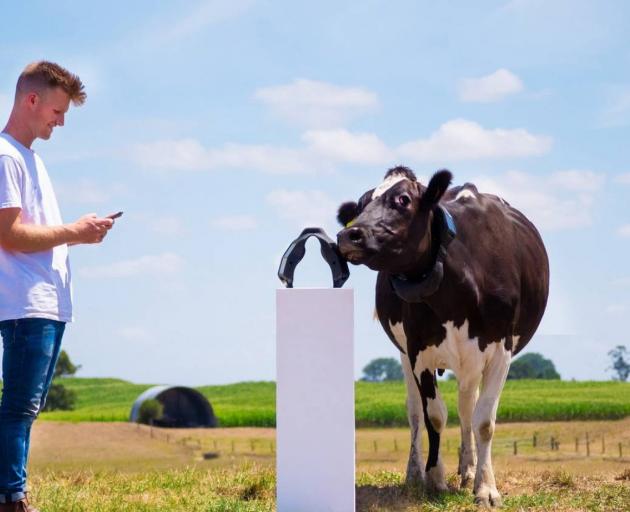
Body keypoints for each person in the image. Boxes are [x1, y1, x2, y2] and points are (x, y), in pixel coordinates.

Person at [0, 61, 115, 512]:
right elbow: (9, 234)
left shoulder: (28, 158)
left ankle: (12, 493)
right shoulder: (7, 157)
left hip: (41, 302)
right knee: (19, 408)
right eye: (57, 111)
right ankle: (11, 498)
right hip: (26, 302)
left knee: (24, 407)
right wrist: (76, 232)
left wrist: (76, 232)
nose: (61, 121)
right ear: (32, 100)